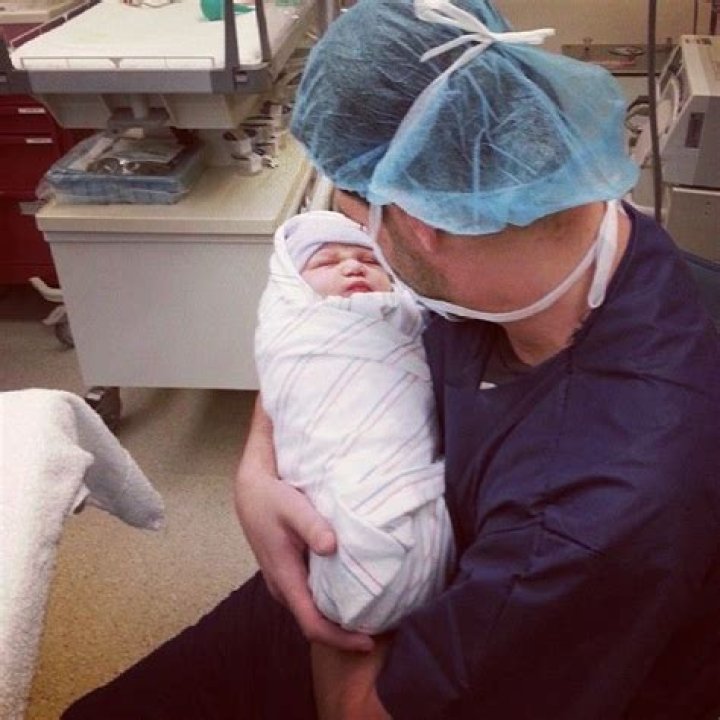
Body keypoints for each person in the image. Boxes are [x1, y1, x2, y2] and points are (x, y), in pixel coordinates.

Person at [63, 1, 720, 719]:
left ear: (419, 222)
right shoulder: (550, 239)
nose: (359, 258)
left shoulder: (584, 516)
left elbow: (361, 712)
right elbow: (335, 342)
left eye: (359, 225)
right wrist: (256, 471)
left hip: (396, 642)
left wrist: (336, 590)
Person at [255, 208, 454, 634]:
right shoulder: (302, 330)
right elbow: (287, 377)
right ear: (293, 285)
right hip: (325, 504)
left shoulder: (410, 314)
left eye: (368, 260)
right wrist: (253, 475)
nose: (352, 267)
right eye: (326, 262)